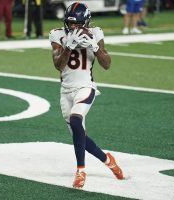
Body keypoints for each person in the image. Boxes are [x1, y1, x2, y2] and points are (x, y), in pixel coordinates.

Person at [49, 2, 124, 189]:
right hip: (66, 91)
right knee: (79, 135)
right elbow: (58, 65)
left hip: (85, 86)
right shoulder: (57, 34)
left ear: (86, 22)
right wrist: (69, 47)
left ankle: (80, 171)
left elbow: (106, 64)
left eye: (77, 24)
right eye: (70, 23)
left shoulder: (96, 33)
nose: (73, 27)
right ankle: (108, 160)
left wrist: (95, 48)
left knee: (76, 120)